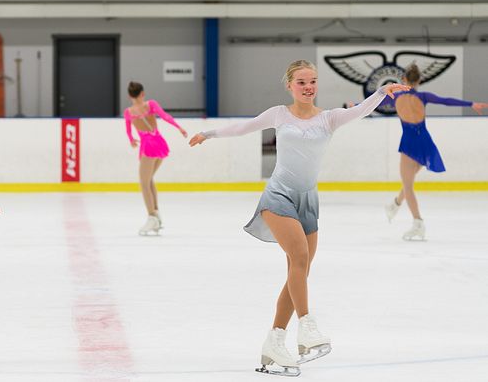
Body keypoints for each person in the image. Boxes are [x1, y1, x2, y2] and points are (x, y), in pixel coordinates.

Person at [189, 60, 409, 376]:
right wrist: (208, 133)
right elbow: (244, 127)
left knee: (299, 270)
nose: (308, 87)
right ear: (290, 85)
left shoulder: (329, 119)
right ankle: (307, 328)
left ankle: (274, 341)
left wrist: (382, 92)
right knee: (299, 256)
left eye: (313, 81)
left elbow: (360, 110)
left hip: (308, 200)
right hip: (278, 195)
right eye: (302, 82)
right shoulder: (279, 114)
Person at [381, 64, 488, 240]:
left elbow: (376, 101)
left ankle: (418, 223)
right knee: (409, 182)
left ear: (404, 80)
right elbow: (446, 100)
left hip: (409, 143)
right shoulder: (424, 96)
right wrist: (471, 104)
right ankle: (395, 204)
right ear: (419, 81)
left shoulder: (395, 97)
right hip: (425, 142)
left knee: (408, 186)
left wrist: (356, 106)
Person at [124, 81, 187, 236]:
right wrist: (179, 127)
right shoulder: (150, 104)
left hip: (148, 146)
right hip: (159, 143)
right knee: (149, 179)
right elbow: (165, 116)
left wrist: (132, 139)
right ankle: (156, 214)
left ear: (129, 96)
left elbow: (128, 130)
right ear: (142, 94)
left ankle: (151, 216)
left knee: (144, 183)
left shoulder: (128, 112)